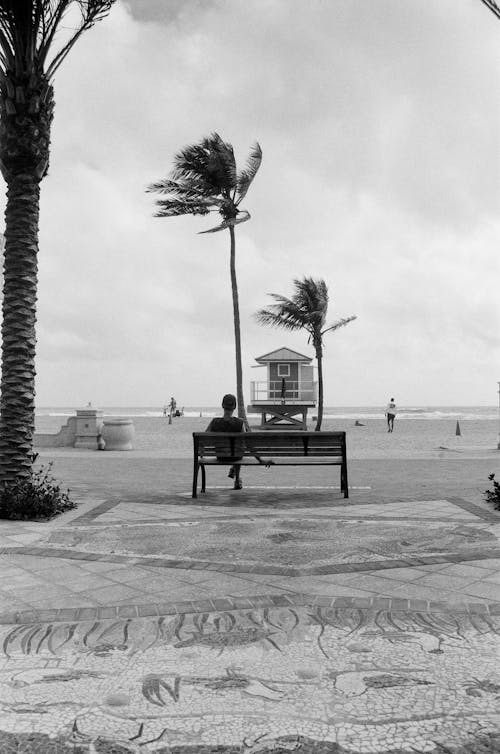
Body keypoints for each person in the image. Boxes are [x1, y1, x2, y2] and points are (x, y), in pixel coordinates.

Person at [206, 393, 244, 490]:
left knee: (235, 449)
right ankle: (237, 480)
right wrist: (260, 460)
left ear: (222, 405)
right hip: (235, 457)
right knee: (238, 449)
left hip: (221, 456)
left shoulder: (214, 422)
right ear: (234, 406)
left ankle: (233, 469)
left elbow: (204, 438)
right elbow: (245, 441)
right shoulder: (240, 423)